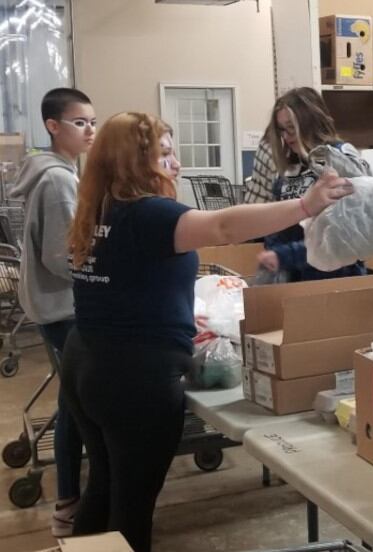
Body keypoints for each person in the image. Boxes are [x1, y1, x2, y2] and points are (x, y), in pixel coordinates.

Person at [60, 112, 352, 552]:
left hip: (87, 359)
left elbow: (126, 284)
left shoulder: (99, 210)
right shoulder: (151, 213)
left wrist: (174, 314)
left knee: (104, 485)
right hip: (133, 376)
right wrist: (305, 206)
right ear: (133, 162)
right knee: (132, 505)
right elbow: (223, 227)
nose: (175, 164)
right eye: (164, 154)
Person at [10, 87, 96, 537]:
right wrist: (104, 273)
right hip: (64, 309)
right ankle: (67, 502)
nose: (89, 131)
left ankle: (69, 497)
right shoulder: (59, 179)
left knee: (72, 403)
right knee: (75, 406)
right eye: (80, 122)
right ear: (53, 126)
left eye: (92, 122)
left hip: (55, 305)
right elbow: (61, 257)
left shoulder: (56, 172)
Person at [245, 87, 371, 282]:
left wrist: (284, 256)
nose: (286, 137)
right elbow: (279, 224)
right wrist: (274, 255)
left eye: (291, 128)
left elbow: (345, 233)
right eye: (281, 130)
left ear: (310, 122)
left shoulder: (340, 159)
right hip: (294, 280)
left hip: (336, 281)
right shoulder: (291, 166)